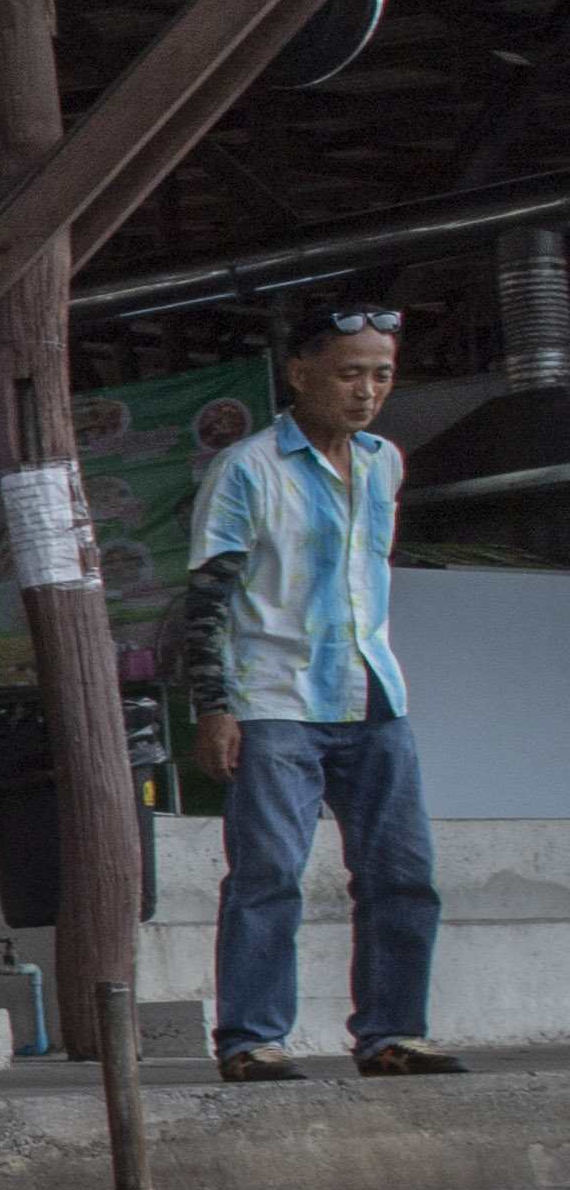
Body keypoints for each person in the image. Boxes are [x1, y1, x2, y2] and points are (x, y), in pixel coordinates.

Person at [173, 299, 449, 1079]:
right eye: (350, 373)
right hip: (276, 702)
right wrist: (215, 707)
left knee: (404, 874)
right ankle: (252, 1041)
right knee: (268, 876)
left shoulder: (384, 461)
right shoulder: (248, 468)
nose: (367, 391)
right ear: (300, 374)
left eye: (382, 375)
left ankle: (394, 1034)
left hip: (374, 698)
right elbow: (208, 598)